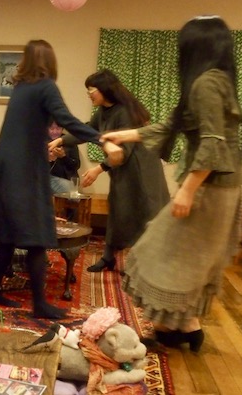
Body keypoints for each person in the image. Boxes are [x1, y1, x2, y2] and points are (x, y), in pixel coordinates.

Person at [100, 16, 242, 352]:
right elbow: (170, 126)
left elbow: (212, 143)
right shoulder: (217, 80)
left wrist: (188, 190)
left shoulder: (206, 84)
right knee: (185, 258)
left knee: (159, 252)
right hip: (220, 186)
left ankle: (178, 327)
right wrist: (125, 135)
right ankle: (182, 328)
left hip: (210, 187)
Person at [0, 39, 123, 319]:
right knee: (37, 236)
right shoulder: (45, 86)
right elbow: (68, 120)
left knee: (8, 235)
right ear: (50, 61)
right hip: (23, 170)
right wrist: (102, 140)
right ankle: (40, 304)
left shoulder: (21, 88)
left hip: (4, 167)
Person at [49, 69, 170, 272]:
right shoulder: (103, 111)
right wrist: (61, 140)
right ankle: (108, 257)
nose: (88, 94)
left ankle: (144, 266)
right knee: (118, 211)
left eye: (91, 90)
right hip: (121, 169)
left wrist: (98, 169)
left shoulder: (125, 112)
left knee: (143, 214)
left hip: (141, 171)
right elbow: (87, 131)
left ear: (104, 89)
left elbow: (124, 150)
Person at [48, 121, 81, 195]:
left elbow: (77, 165)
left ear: (62, 129)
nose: (55, 132)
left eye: (58, 129)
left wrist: (63, 157)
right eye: (51, 129)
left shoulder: (69, 141)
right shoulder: (41, 141)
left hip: (67, 178)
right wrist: (48, 159)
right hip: (47, 178)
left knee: (69, 189)